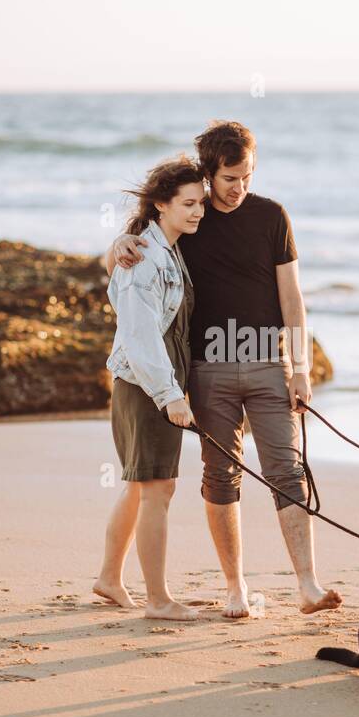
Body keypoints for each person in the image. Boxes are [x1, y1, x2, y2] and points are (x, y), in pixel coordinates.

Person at [104, 121, 341, 618]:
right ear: (209, 174)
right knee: (219, 475)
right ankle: (235, 589)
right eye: (230, 178)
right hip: (206, 368)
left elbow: (291, 298)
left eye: (248, 175)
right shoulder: (190, 215)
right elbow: (137, 258)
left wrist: (300, 367)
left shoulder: (272, 216)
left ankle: (308, 585)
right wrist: (113, 250)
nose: (240, 187)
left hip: (269, 363)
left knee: (289, 471)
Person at [94, 155, 206, 621]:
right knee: (158, 489)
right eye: (188, 203)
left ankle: (108, 579)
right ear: (162, 204)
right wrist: (170, 395)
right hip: (145, 386)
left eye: (201, 203)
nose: (198, 211)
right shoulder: (145, 257)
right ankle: (158, 599)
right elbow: (140, 336)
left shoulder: (167, 246)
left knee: (140, 487)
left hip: (144, 383)